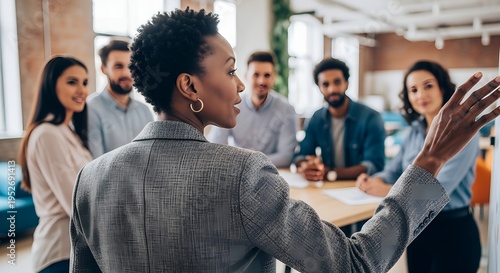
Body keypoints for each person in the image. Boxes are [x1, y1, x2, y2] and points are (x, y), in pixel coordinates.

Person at [70, 8, 500, 273]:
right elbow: (354, 264)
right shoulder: (240, 172)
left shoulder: (91, 178)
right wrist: (429, 159)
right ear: (189, 86)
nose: (241, 85)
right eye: (231, 70)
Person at [356, 60, 482, 273]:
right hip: (417, 231)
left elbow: (436, 189)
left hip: (452, 232)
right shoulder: (414, 131)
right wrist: (373, 179)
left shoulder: (463, 133)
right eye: (413, 90)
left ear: (443, 88)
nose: (420, 95)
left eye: (428, 86)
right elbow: (393, 170)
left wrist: (388, 191)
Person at [18, 56, 93, 273]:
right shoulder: (47, 134)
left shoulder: (66, 130)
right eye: (72, 82)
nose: (82, 90)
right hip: (59, 253)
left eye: (85, 82)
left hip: (74, 250)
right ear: (51, 86)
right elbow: (76, 202)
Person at [294, 58, 386, 182]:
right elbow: (301, 155)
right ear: (319, 88)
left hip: (362, 188)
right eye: (325, 84)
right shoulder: (316, 118)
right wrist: (307, 167)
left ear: (346, 83)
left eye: (337, 82)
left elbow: (373, 165)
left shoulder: (371, 118)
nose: (332, 89)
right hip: (327, 189)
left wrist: (331, 174)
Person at [208, 51, 297, 167]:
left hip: (272, 174)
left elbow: (286, 156)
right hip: (238, 174)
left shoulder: (287, 110)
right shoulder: (230, 105)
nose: (261, 81)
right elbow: (216, 146)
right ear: (246, 76)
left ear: (273, 77)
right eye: (256, 75)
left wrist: (245, 164)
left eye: (267, 75)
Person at [87, 39, 154, 158]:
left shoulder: (145, 111)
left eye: (131, 66)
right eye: (118, 66)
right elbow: (95, 164)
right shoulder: (91, 108)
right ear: (104, 69)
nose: (126, 73)